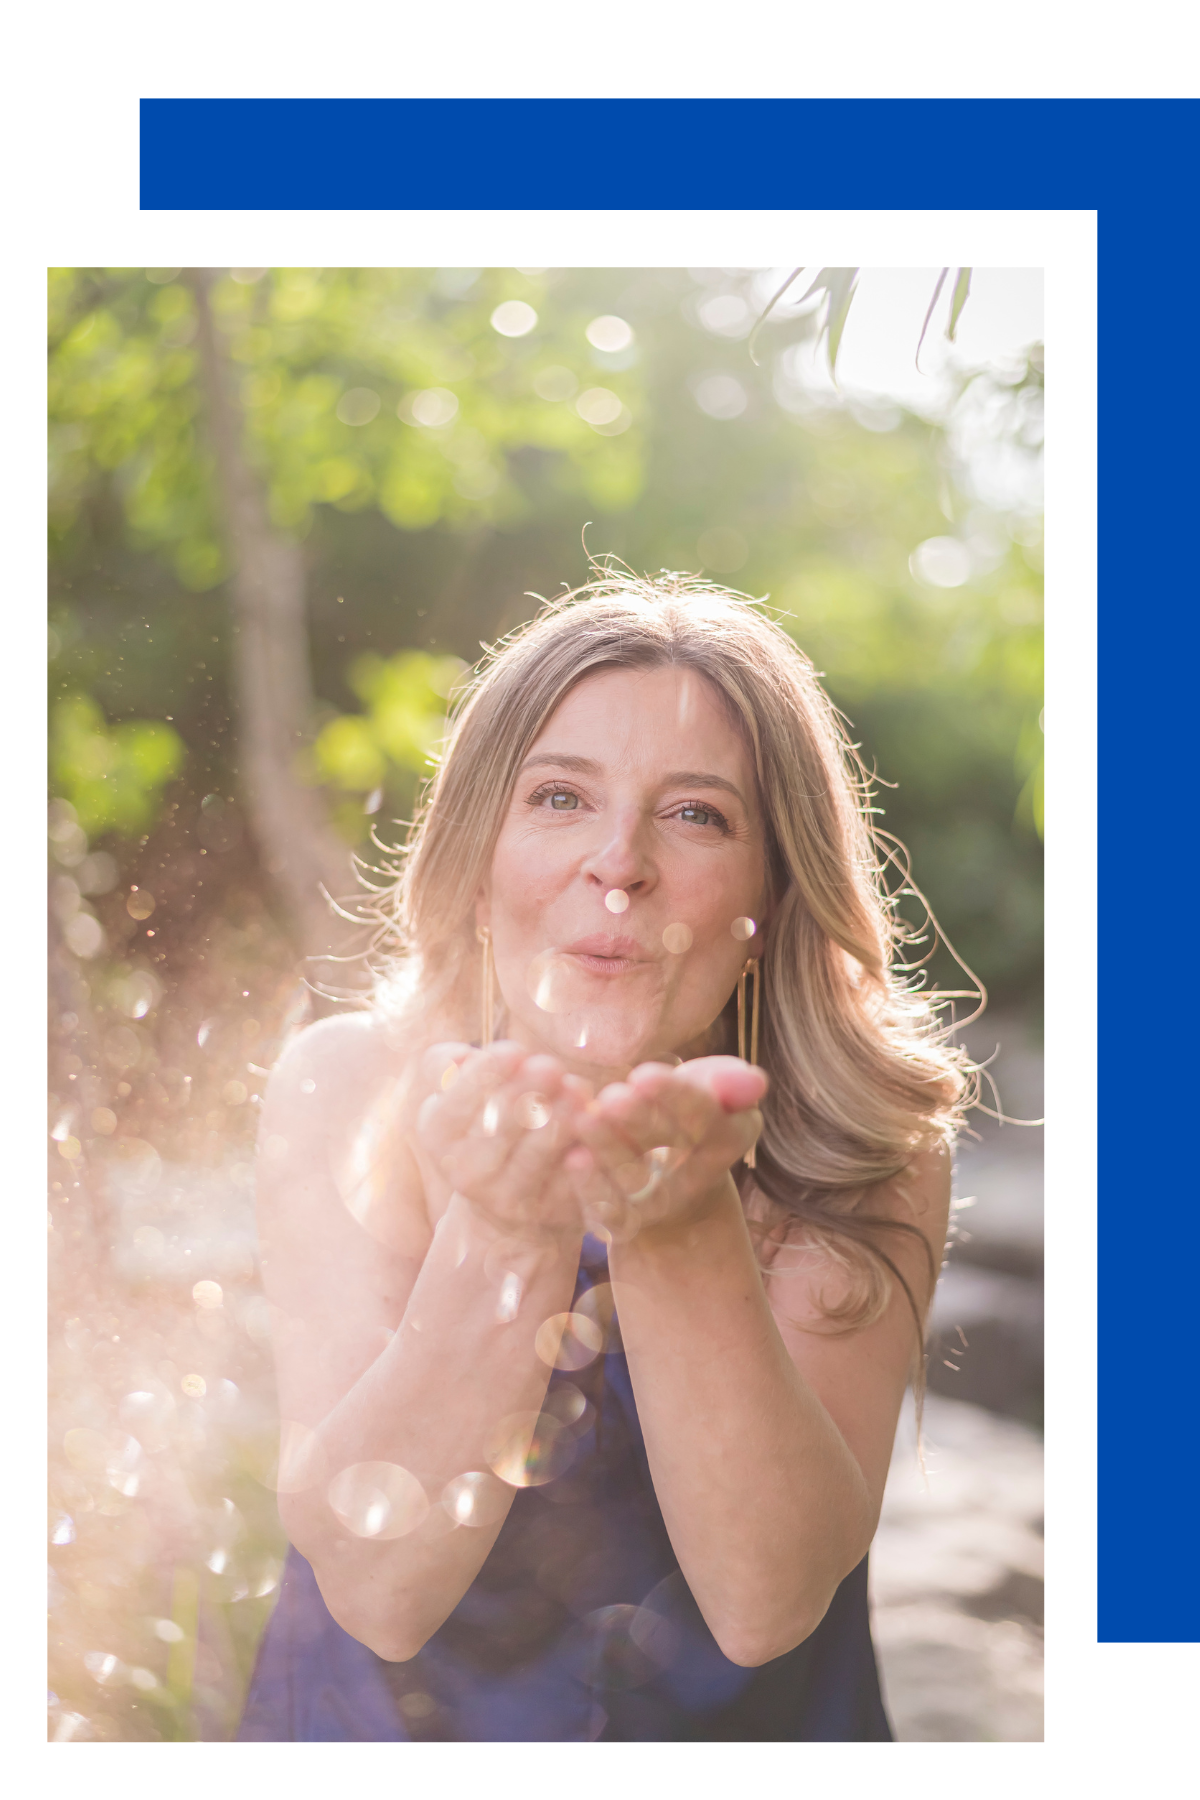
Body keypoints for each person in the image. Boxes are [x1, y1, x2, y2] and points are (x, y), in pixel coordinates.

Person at [237, 573, 971, 1742]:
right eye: (561, 797)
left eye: (696, 814)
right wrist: (506, 1230)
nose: (619, 864)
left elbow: (762, 1605)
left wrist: (677, 1230)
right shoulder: (353, 1092)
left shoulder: (865, 1142)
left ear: (773, 897)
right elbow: (379, 1592)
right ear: (479, 854)